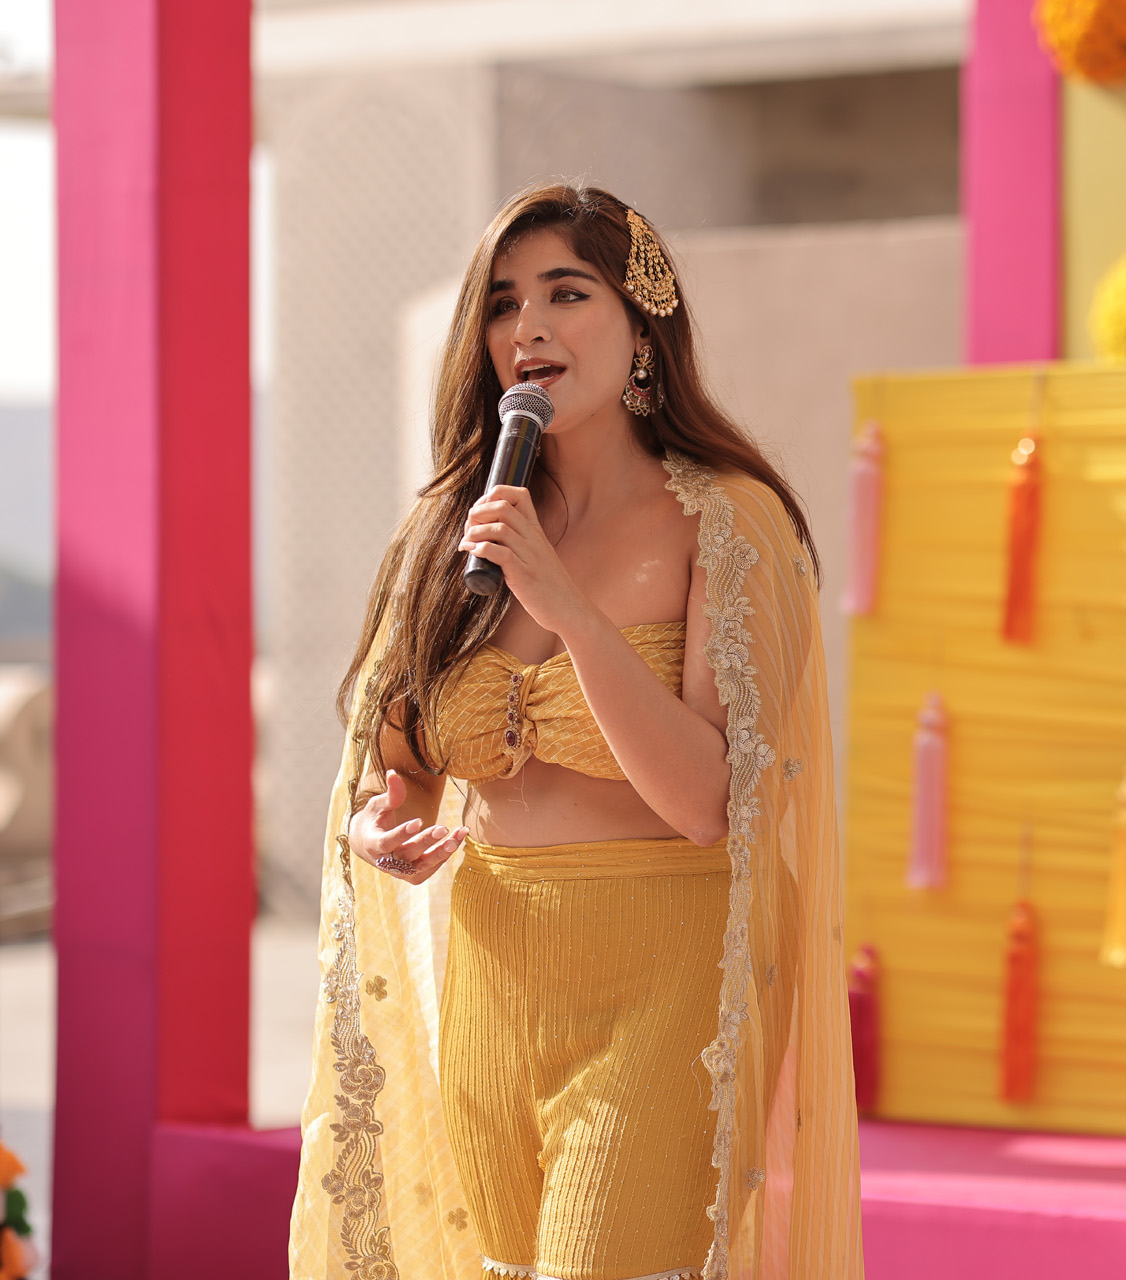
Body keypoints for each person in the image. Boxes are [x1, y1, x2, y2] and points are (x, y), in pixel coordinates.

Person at [289, 184, 861, 1280]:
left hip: (671, 972)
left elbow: (708, 803)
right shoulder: (453, 529)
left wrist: (569, 610)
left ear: (644, 327)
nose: (529, 328)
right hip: (495, 972)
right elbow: (399, 757)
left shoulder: (727, 523)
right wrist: (381, 822)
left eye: (566, 293)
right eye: (503, 303)